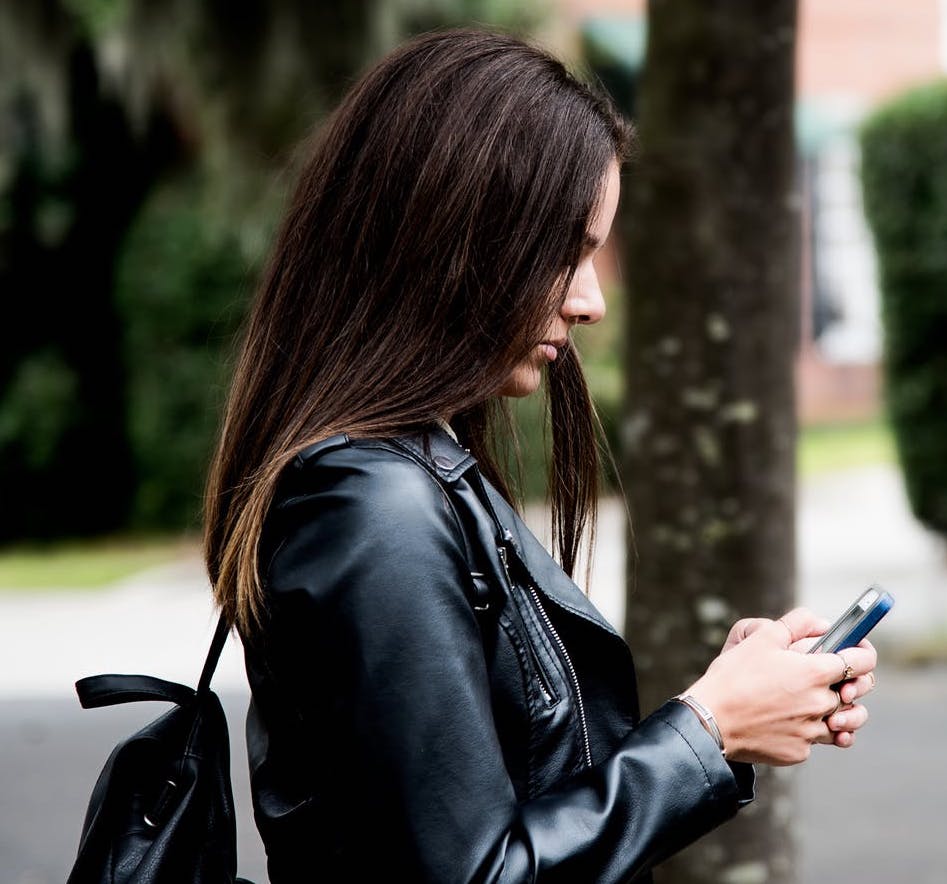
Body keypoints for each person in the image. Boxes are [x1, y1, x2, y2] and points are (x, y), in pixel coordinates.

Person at [202, 28, 878, 883]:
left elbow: (519, 797)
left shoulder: (410, 472)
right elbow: (473, 873)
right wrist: (708, 728)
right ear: (452, 238)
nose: (592, 300)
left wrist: (737, 705)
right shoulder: (370, 509)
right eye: (568, 252)